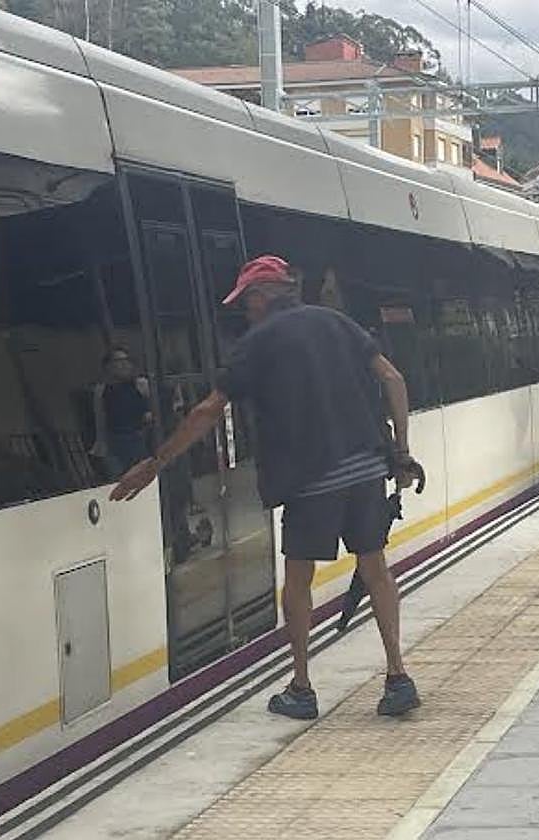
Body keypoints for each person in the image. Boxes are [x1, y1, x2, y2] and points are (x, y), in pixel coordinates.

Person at [111, 255, 422, 720]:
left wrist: (155, 463)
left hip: (308, 480)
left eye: (246, 303)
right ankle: (398, 678)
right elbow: (394, 378)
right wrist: (400, 450)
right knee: (376, 570)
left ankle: (301, 687)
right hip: (363, 472)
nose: (245, 312)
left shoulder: (256, 344)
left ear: (261, 297)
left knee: (298, 582)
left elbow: (208, 412)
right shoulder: (336, 322)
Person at [90, 346, 153, 479]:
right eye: (118, 361)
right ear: (108, 367)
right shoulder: (101, 390)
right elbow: (100, 419)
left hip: (139, 440)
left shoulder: (141, 384)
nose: (124, 364)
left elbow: (159, 408)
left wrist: (149, 417)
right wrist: (101, 446)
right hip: (114, 443)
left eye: (126, 360)